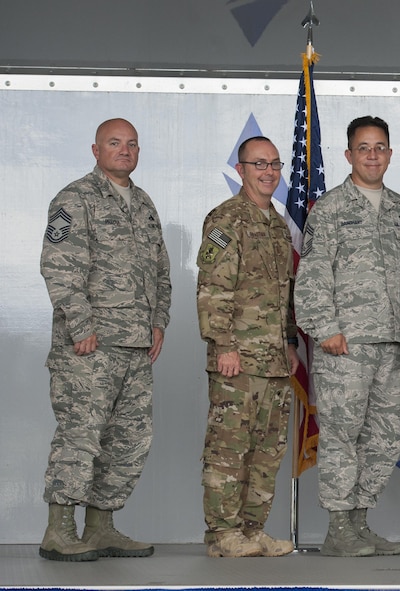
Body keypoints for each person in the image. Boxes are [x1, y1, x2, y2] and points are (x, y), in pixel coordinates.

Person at [39, 118, 171, 562]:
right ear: (96, 150)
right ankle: (59, 530)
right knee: (81, 435)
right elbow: (59, 267)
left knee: (127, 439)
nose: (125, 150)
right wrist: (81, 328)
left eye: (132, 144)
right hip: (89, 347)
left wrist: (159, 322)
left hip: (135, 347)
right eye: (115, 143)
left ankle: (99, 527)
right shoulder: (74, 199)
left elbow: (161, 272)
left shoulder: (145, 204)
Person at [294, 116, 400, 557]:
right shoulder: (329, 209)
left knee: (383, 437)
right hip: (343, 346)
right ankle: (337, 529)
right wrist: (325, 329)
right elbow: (310, 276)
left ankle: (360, 522)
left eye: (380, 147)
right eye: (364, 147)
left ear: (389, 153)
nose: (373, 155)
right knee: (341, 436)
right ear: (348, 155)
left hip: (389, 345)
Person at [196, 136, 299, 558]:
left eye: (275, 164)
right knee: (228, 449)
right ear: (241, 170)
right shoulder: (225, 220)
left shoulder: (276, 224)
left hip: (274, 360)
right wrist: (223, 345)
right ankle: (222, 534)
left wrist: (290, 343)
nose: (269, 172)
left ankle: (252, 531)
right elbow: (212, 288)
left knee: (267, 452)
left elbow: (285, 294)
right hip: (237, 358)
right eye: (259, 164)